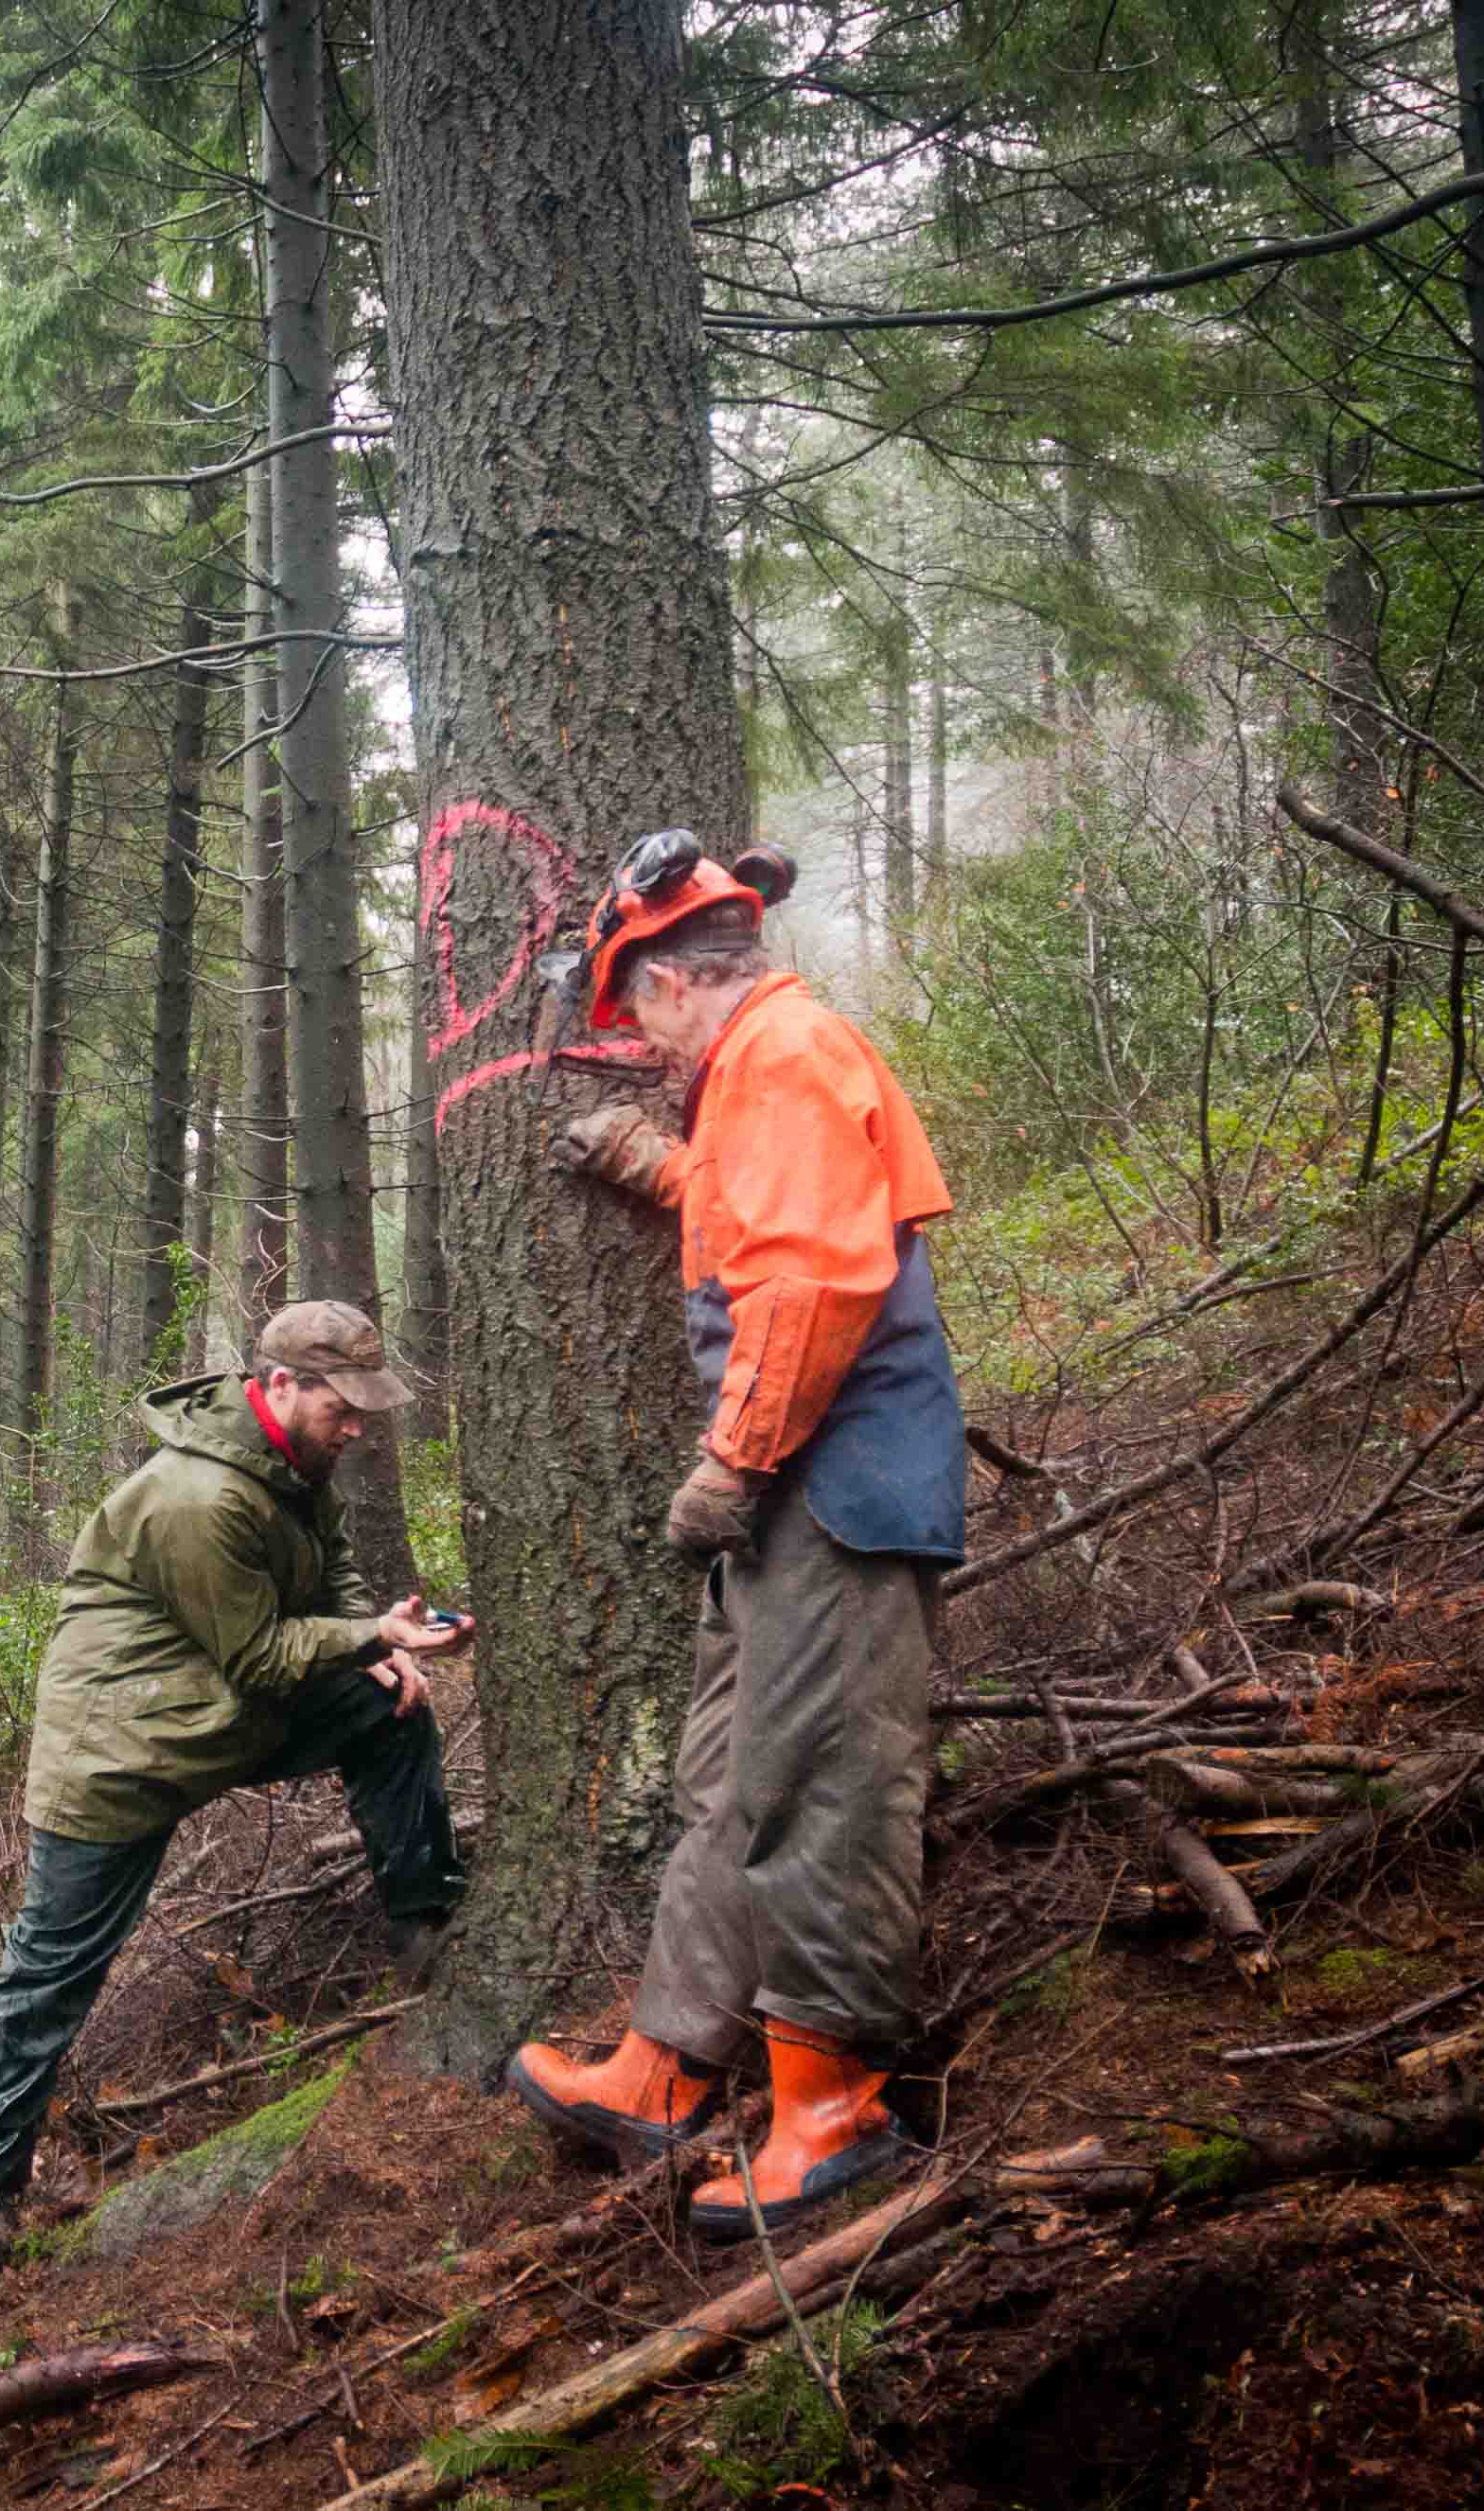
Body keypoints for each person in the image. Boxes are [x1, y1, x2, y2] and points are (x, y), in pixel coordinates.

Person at [509, 829, 967, 2241]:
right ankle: (666, 2065)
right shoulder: (757, 1076)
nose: (637, 1048)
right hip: (790, 1500)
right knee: (725, 1777)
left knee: (822, 1784)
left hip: (830, 1487)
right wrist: (656, 1165)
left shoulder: (779, 1057)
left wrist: (729, 1462)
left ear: (658, 987)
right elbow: (757, 1210)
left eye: (632, 1022)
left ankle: (833, 2106)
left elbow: (814, 1275)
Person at [0, 1300, 473, 2286]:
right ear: (277, 1388)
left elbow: (328, 1586)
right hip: (120, 1756)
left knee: (388, 1712)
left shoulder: (296, 1471)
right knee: (47, 1976)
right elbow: (263, 1653)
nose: (356, 1427)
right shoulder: (196, 1497)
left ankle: (426, 1924)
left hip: (216, 1712)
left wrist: (375, 1636)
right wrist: (368, 1642)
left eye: (365, 1406)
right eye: (340, 1406)